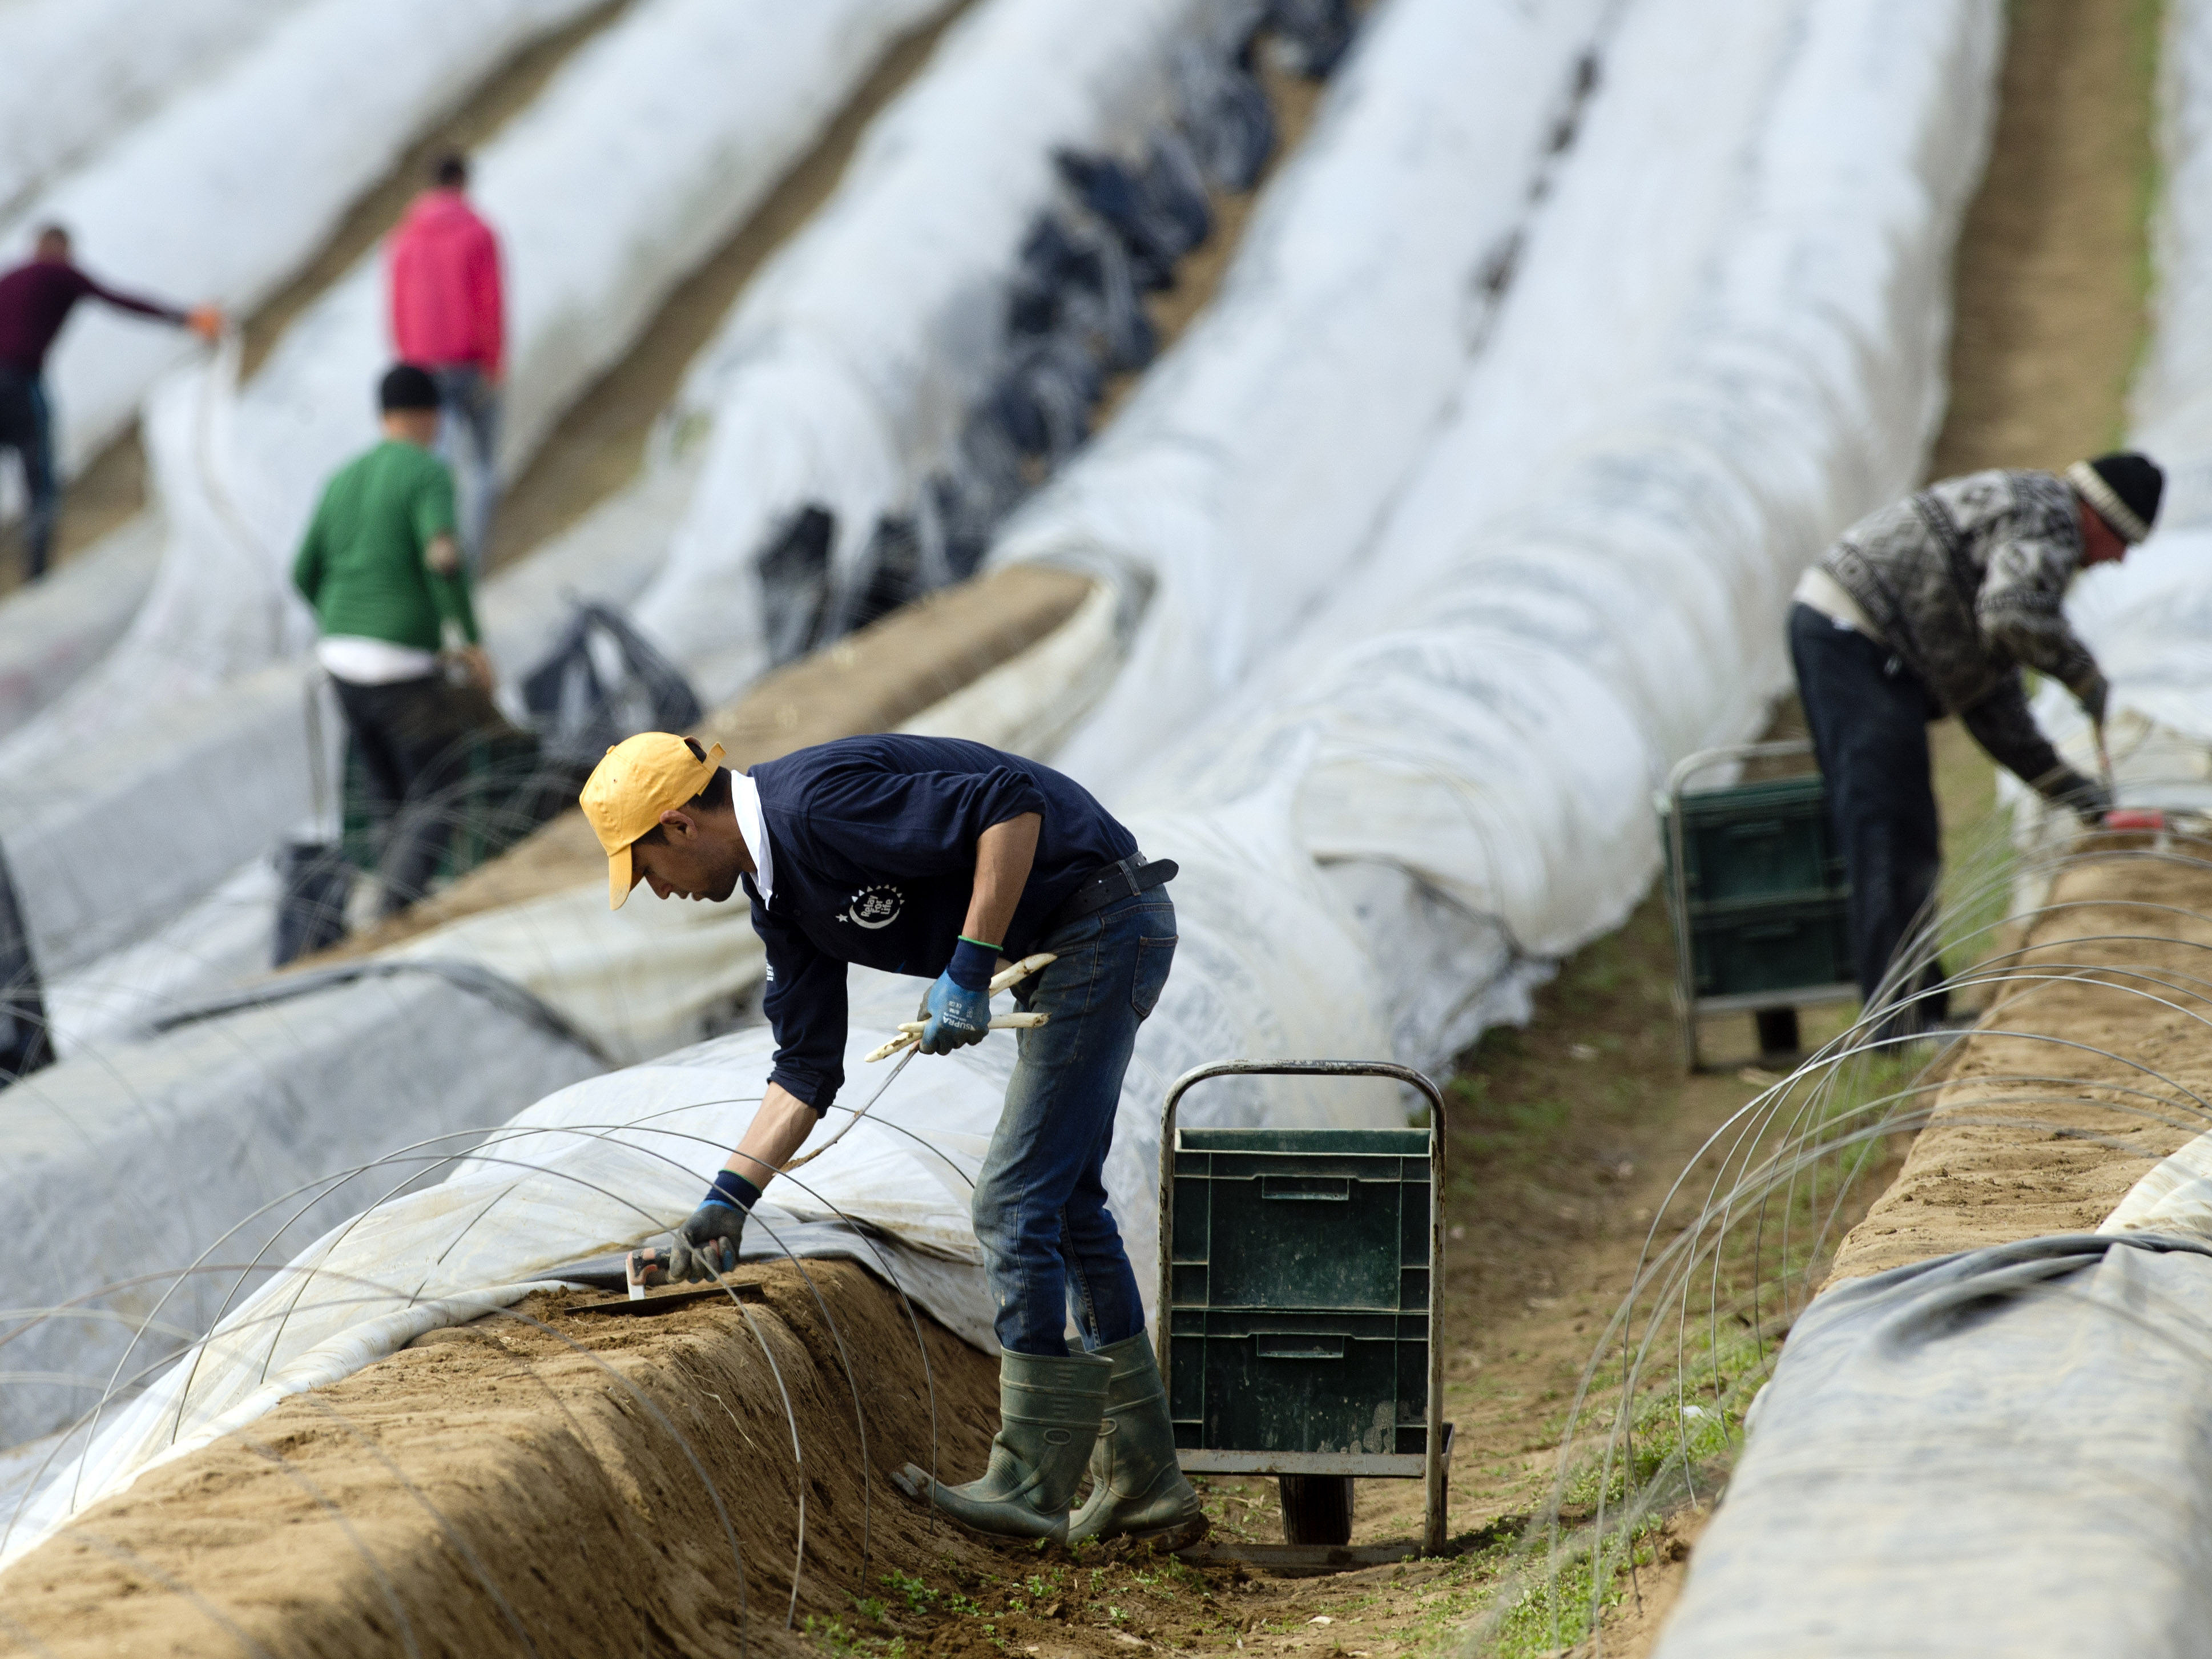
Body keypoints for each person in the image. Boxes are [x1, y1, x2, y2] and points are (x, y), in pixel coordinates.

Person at [579, 730, 1201, 1549]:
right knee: (1063, 1204)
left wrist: (970, 965)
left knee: (1014, 1201)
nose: (659, 891)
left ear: (679, 823)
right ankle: (1145, 1483)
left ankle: (1029, 1482)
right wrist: (726, 1201)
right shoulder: (779, 896)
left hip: (1101, 920)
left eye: (647, 868)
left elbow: (1009, 805)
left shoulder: (813, 808)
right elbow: (804, 1070)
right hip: (1075, 936)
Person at [1788, 453, 2163, 1030]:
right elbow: (2011, 615)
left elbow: (1998, 709)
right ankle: (1897, 1027)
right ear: (2099, 516)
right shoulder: (2049, 522)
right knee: (1887, 827)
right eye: (2122, 542)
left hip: (1866, 644)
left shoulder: (2028, 533)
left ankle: (1921, 1010)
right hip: (1852, 635)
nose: (2118, 560)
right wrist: (2080, 672)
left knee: (1909, 830)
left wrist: (2079, 795)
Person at [293, 364, 495, 918]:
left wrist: (342, 623)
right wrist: (470, 641)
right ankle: (392, 909)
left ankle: (385, 899)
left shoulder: (342, 477)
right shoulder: (426, 473)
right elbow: (442, 556)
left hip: (339, 659)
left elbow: (302, 570)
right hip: (398, 662)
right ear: (430, 416)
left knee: (388, 792)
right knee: (443, 785)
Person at [0, 224, 220, 579]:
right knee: (39, 477)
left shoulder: (11, 277)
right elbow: (119, 300)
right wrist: (186, 318)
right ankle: (36, 575)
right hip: (21, 382)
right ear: (62, 249)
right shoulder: (61, 274)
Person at [386, 153, 504, 572]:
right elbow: (489, 302)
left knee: (436, 466)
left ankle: (434, 554)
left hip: (423, 368)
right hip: (469, 365)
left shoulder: (405, 237)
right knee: (483, 468)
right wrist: (494, 362)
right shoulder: (478, 233)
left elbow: (397, 306)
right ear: (463, 182)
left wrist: (407, 364)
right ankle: (470, 563)